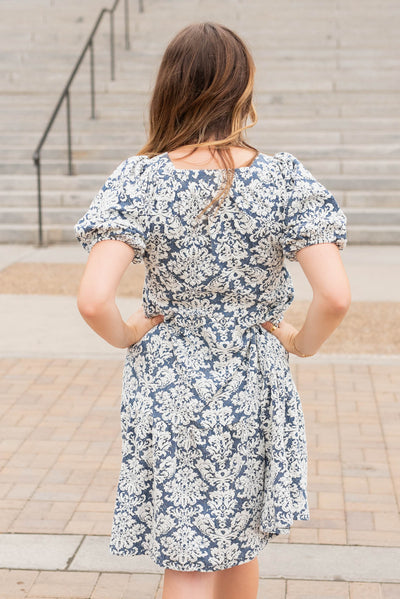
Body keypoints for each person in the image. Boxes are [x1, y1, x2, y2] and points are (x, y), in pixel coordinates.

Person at [74, 22, 351, 599]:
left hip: (170, 381)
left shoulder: (140, 179)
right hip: (252, 376)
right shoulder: (282, 180)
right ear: (242, 87)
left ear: (169, 88)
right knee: (229, 540)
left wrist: (126, 333)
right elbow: (337, 296)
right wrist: (301, 342)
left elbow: (94, 299)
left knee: (200, 548)